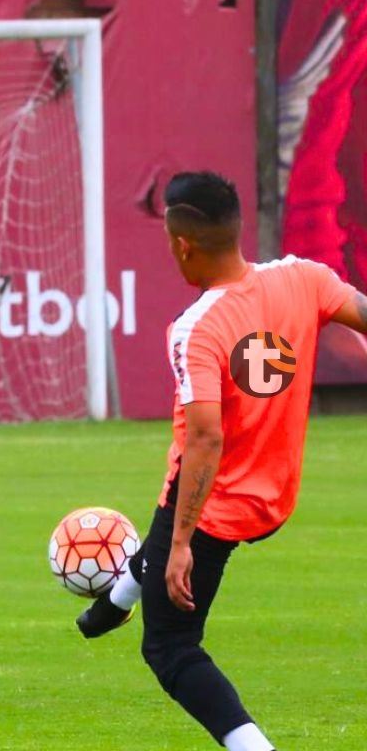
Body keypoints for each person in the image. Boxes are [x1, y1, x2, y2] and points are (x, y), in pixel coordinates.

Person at [75, 171, 367, 751]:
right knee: (156, 547)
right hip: (276, 494)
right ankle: (114, 601)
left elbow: (206, 438)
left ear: (182, 245)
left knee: (170, 647)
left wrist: (183, 541)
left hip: (214, 507)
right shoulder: (304, 278)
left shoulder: (195, 329)